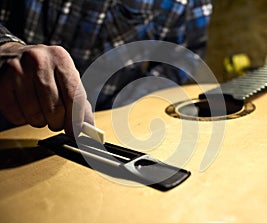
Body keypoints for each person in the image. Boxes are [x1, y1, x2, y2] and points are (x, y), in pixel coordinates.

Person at [0, 0, 212, 136]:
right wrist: (6, 45)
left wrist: (122, 110)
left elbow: (182, 56)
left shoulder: (190, 4)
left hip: (96, 130)